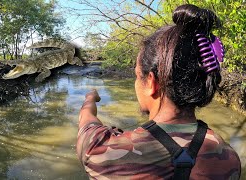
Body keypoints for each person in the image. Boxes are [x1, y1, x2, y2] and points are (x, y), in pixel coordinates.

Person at [77, 4, 241, 180]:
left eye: (137, 75)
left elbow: (87, 120)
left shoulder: (99, 151)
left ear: (151, 82)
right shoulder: (230, 158)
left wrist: (90, 98)